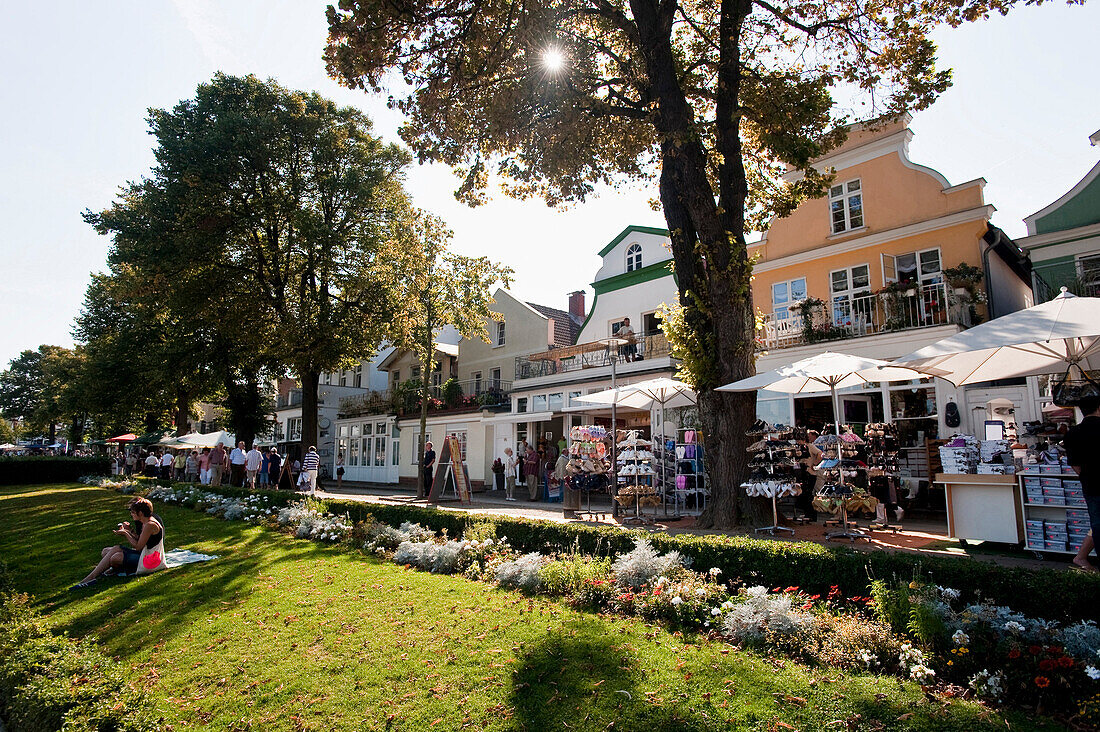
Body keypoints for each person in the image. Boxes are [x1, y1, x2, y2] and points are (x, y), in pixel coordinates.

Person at [71, 497, 164, 589]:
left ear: (140, 513)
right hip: (145, 554)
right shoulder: (145, 522)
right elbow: (141, 539)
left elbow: (138, 547)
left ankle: (90, 578)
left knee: (115, 554)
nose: (131, 514)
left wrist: (125, 534)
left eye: (132, 512)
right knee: (105, 551)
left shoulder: (150, 525)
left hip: (150, 559)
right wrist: (129, 531)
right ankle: (100, 573)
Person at [1063, 394, 1100, 572]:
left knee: (1098, 524)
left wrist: (1086, 475)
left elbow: (1075, 464)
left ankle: (1084, 557)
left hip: (1090, 484)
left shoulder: (1073, 433)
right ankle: (1081, 557)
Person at [796, 430, 823, 521]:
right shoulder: (799, 448)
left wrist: (815, 464)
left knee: (808, 494)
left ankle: (811, 515)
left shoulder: (810, 446)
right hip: (802, 473)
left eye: (799, 440)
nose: (798, 442)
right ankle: (807, 513)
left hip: (810, 473)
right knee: (803, 494)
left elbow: (820, 454)